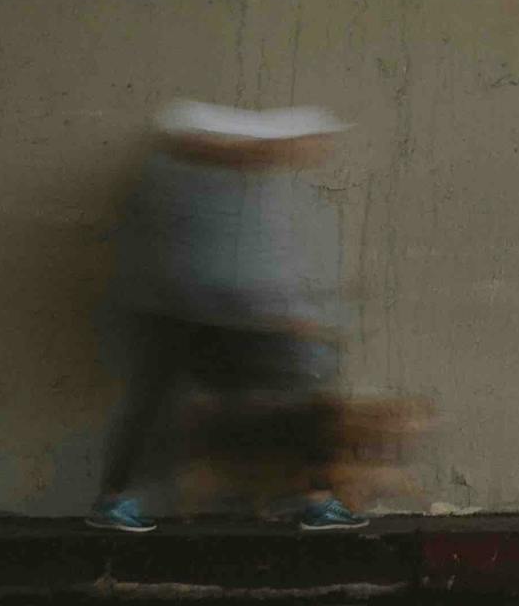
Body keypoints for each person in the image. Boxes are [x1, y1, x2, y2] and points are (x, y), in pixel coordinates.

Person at [84, 103, 366, 533]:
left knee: (162, 403)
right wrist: (287, 317)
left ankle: (310, 498)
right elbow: (215, 266)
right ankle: (312, 500)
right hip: (189, 318)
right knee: (299, 392)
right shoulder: (196, 183)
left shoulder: (236, 184)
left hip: (193, 317)